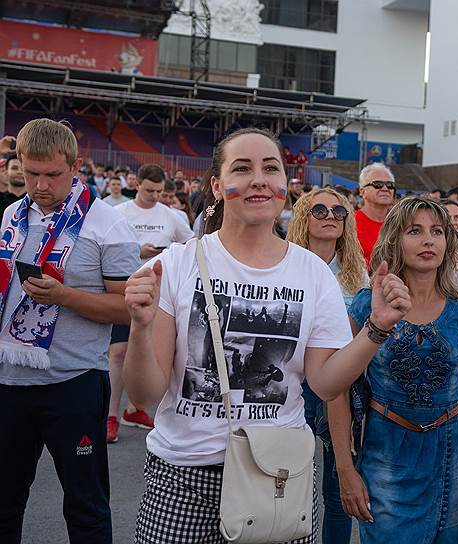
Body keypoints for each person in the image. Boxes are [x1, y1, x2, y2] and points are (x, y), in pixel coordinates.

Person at [123, 127, 412, 543]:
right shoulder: (178, 264)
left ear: (284, 187)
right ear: (218, 187)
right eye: (242, 168)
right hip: (183, 476)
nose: (258, 178)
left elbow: (326, 382)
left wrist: (376, 328)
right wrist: (141, 325)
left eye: (270, 168)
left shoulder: (312, 273)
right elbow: (145, 394)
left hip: (278, 473)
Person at [0, 118, 140, 543]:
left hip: (73, 383)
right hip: (9, 380)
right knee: (5, 502)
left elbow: (126, 310)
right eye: (31, 173)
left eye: (52, 175)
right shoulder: (11, 214)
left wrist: (65, 297)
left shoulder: (108, 224)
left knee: (86, 507)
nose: (40, 185)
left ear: (75, 167)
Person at [328, 196, 458, 542]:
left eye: (437, 231)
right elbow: (338, 388)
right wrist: (345, 469)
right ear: (394, 240)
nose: (428, 240)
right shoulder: (367, 305)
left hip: (451, 455)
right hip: (385, 452)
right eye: (415, 231)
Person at [286, 187, 369, 544]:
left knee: (339, 489)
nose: (330, 216)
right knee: (286, 482)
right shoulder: (282, 265)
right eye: (319, 210)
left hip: (343, 385)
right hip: (292, 384)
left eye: (339, 211)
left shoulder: (357, 275)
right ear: (303, 217)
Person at [107, 165, 195, 443]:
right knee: (119, 352)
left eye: (159, 191)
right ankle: (111, 415)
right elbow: (105, 248)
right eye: (148, 191)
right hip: (127, 289)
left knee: (154, 354)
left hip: (162, 294)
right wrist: (138, 250)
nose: (155, 196)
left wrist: (168, 252)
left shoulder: (172, 215)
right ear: (138, 186)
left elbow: (192, 245)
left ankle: (135, 409)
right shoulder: (119, 213)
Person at [355, 162, 396, 266]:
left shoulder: (400, 223)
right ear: (362, 191)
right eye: (377, 184)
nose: (385, 189)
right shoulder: (349, 223)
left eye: (390, 185)